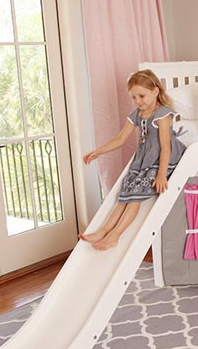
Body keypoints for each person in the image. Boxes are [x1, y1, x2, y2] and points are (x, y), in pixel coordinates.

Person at [80, 69, 187, 250]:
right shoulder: (137, 114)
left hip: (163, 159)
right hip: (144, 160)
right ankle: (103, 231)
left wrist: (161, 175)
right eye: (134, 97)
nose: (138, 101)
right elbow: (120, 139)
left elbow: (166, 146)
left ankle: (115, 235)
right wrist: (98, 151)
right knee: (126, 195)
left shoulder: (162, 114)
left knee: (135, 197)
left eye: (142, 96)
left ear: (155, 91)